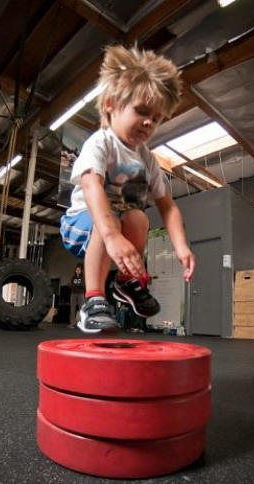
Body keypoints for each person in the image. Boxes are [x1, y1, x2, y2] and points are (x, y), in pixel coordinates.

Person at [60, 45, 195, 334]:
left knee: (139, 218)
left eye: (156, 118)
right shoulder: (102, 143)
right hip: (80, 222)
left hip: (117, 225)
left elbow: (167, 206)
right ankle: (93, 302)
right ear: (110, 104)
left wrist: (181, 246)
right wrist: (111, 235)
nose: (149, 122)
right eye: (142, 111)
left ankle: (125, 282)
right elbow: (91, 183)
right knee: (109, 219)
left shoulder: (147, 158)